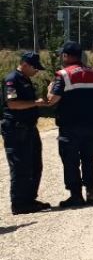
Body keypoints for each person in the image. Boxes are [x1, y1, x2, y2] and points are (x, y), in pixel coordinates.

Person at [46, 41, 93, 207]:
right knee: (89, 159)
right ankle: (91, 192)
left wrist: (49, 89)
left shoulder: (63, 75)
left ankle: (76, 195)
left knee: (70, 161)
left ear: (66, 56)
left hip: (70, 126)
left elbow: (52, 100)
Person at [1, 52, 50, 214]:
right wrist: (36, 103)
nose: (37, 71)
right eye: (35, 68)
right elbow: (12, 104)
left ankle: (29, 200)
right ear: (25, 64)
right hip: (15, 128)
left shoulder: (24, 78)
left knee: (35, 164)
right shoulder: (12, 79)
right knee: (20, 166)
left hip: (29, 127)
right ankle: (19, 204)